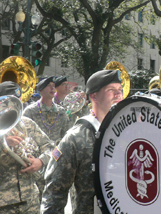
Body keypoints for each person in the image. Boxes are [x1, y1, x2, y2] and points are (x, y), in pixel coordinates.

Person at [41, 70, 124, 213]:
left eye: (120, 90)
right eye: (111, 90)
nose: (118, 95)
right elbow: (54, 193)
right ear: (94, 96)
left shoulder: (128, 131)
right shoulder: (76, 137)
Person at [0, 81, 52, 214]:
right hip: (3, 203)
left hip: (31, 200)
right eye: (9, 102)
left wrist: (40, 161)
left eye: (16, 101)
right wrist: (3, 143)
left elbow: (51, 148)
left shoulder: (28, 124)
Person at [23, 77, 69, 145]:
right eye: (49, 86)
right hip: (37, 152)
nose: (52, 88)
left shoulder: (61, 111)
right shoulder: (30, 111)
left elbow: (66, 134)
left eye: (53, 86)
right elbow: (24, 134)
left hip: (56, 152)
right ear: (41, 90)